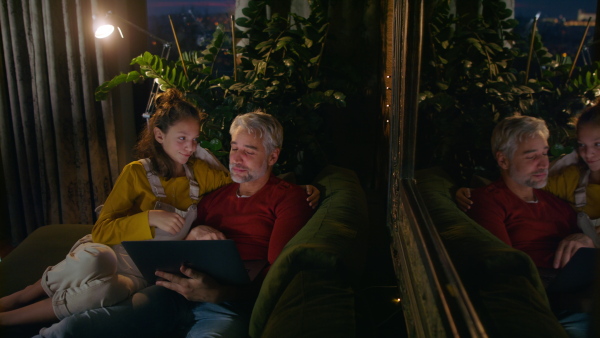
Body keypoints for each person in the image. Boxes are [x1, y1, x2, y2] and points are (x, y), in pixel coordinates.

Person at [0, 90, 318, 328]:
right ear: (159, 135)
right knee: (96, 260)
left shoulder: (208, 175)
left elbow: (251, 185)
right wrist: (158, 219)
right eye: (182, 138)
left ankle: (13, 320)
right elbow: (102, 229)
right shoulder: (140, 173)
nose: (190, 148)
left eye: (195, 140)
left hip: (152, 275)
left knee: (103, 294)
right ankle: (21, 297)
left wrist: (299, 186)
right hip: (122, 254)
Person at [464, 116, 596, 338]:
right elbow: (505, 269)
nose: (544, 163)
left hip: (584, 291)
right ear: (503, 160)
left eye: (544, 153)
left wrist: (587, 239)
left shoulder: (557, 204)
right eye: (531, 156)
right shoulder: (488, 201)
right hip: (552, 305)